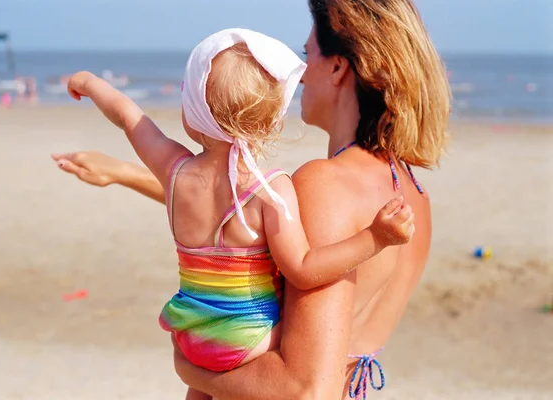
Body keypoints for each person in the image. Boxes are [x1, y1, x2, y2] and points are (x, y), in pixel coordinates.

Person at [53, 1, 450, 398]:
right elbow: (238, 218)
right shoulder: (412, 194)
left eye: (306, 55)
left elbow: (303, 391)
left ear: (337, 67)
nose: (300, 76)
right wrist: (123, 174)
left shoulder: (324, 184)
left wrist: (191, 369)